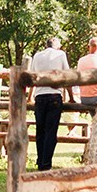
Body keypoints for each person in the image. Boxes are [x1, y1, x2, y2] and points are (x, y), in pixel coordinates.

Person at [27, 36, 71, 171]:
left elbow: (33, 77)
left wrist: (30, 97)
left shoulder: (37, 56)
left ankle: (40, 160)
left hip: (40, 96)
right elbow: (67, 76)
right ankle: (46, 164)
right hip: (54, 96)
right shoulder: (61, 54)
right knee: (51, 132)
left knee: (40, 131)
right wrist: (71, 97)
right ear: (57, 46)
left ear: (46, 46)